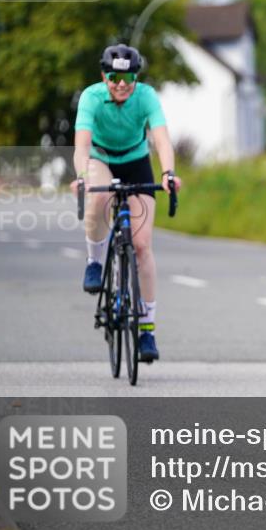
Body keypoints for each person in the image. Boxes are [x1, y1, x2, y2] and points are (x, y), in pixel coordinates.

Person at [70, 44, 183, 363]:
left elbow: (161, 138)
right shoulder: (91, 97)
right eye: (114, 76)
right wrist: (81, 175)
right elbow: (82, 145)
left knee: (143, 245)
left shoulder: (146, 96)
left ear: (136, 77)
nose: (121, 83)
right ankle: (94, 261)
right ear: (103, 75)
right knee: (99, 193)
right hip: (100, 158)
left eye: (128, 76)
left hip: (136, 161)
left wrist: (168, 173)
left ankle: (147, 329)